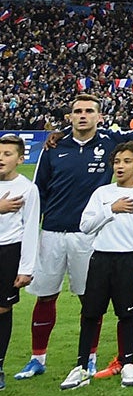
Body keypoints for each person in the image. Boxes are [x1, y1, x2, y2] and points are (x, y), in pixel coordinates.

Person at [15, 94, 115, 381]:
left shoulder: (109, 145)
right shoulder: (54, 147)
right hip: (53, 232)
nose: (82, 115)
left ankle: (89, 357)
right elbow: (39, 191)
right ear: (69, 116)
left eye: (88, 111)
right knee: (45, 296)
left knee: (90, 299)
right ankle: (37, 359)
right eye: (77, 111)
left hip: (89, 235)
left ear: (99, 117)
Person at [63, 141, 133, 389]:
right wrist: (111, 209)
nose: (120, 166)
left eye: (127, 161)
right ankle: (81, 367)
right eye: (117, 161)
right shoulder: (102, 194)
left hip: (129, 260)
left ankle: (128, 364)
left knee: (127, 315)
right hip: (101, 259)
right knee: (91, 314)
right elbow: (85, 225)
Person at [0, 133, 40, 382]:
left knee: (2, 309)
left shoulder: (27, 189)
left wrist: (26, 267)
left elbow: (30, 228)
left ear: (20, 159)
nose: (1, 158)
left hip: (8, 251)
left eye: (7, 154)